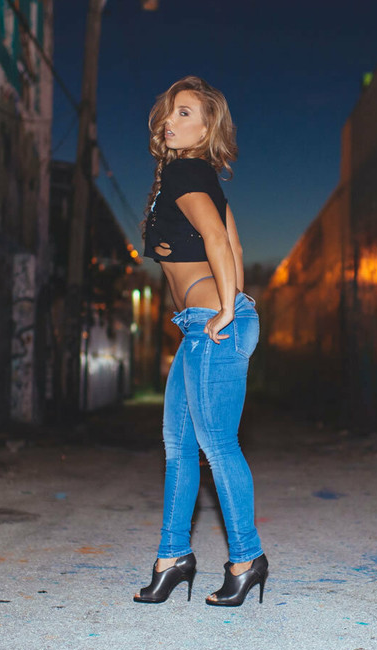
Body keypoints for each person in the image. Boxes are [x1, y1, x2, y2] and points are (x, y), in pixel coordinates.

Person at [133, 76, 267, 607]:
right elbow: (235, 245)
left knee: (216, 443)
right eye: (169, 112)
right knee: (179, 445)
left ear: (208, 126)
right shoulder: (198, 176)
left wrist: (228, 309)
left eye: (185, 113)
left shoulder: (186, 171)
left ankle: (246, 559)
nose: (171, 121)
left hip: (214, 319)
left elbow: (216, 241)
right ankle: (173, 558)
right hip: (204, 323)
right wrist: (230, 307)